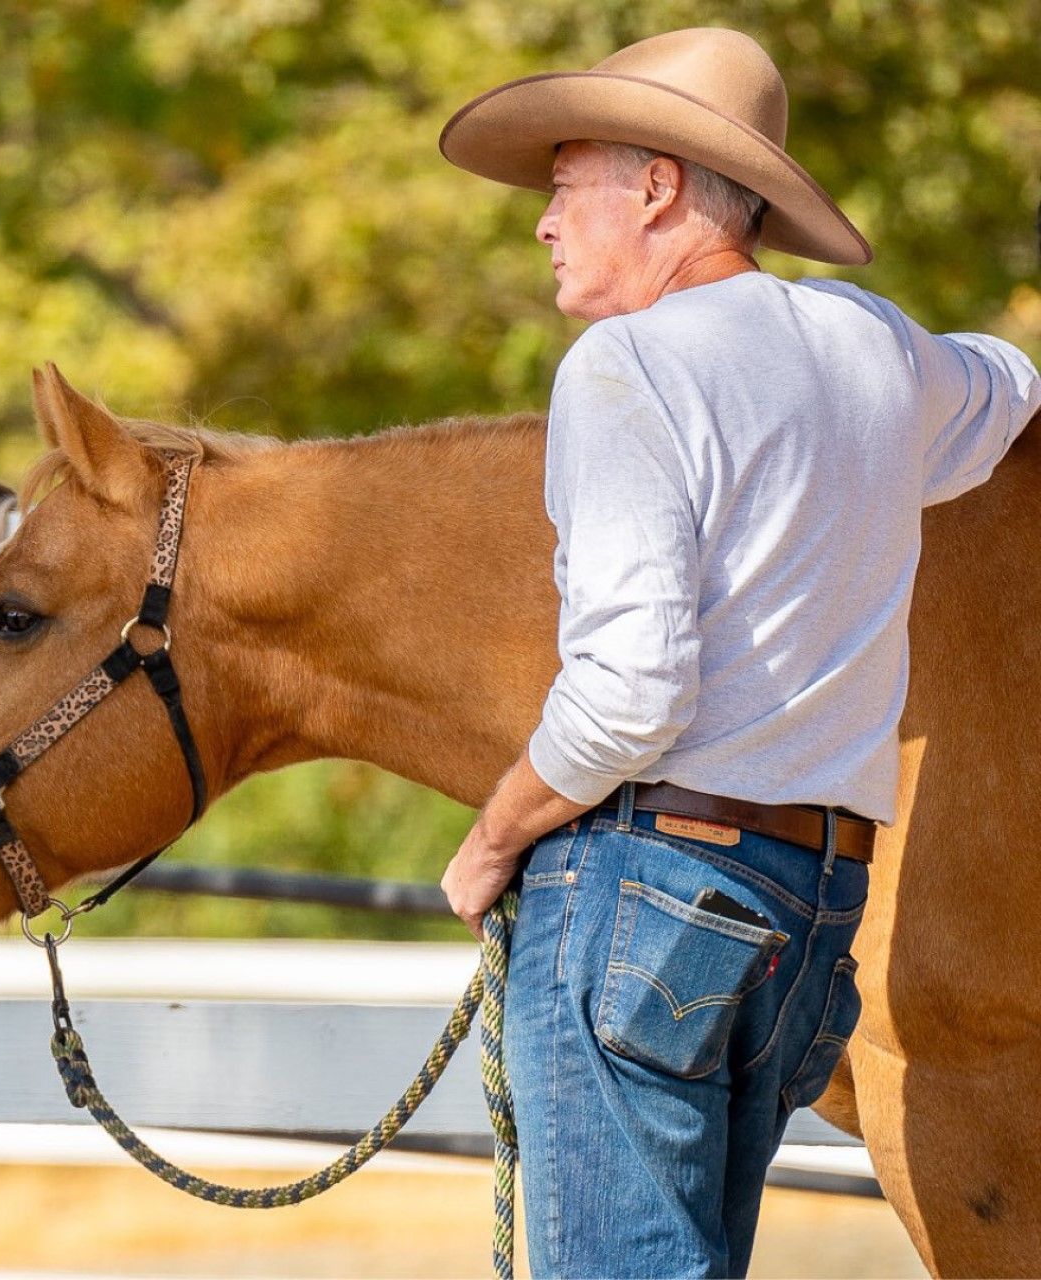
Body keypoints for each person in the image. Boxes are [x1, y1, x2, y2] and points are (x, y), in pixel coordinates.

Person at [436, 26, 1041, 1278]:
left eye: (565, 186)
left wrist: (495, 834)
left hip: (646, 884)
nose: (542, 223)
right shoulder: (872, 344)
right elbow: (1009, 381)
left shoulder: (624, 365)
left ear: (656, 187)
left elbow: (628, 695)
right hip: (810, 907)